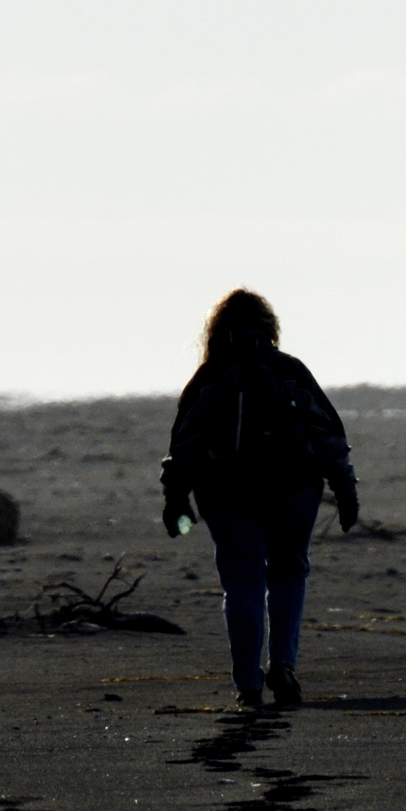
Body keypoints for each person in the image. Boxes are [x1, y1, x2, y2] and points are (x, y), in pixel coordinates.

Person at [160, 289, 358, 710]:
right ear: (270, 329)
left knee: (242, 583)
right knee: (289, 574)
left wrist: (176, 498)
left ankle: (248, 685)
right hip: (294, 492)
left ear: (215, 331)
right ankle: (283, 665)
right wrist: (346, 490)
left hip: (226, 495)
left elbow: (185, 444)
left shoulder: (210, 378)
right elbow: (328, 435)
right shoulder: (290, 371)